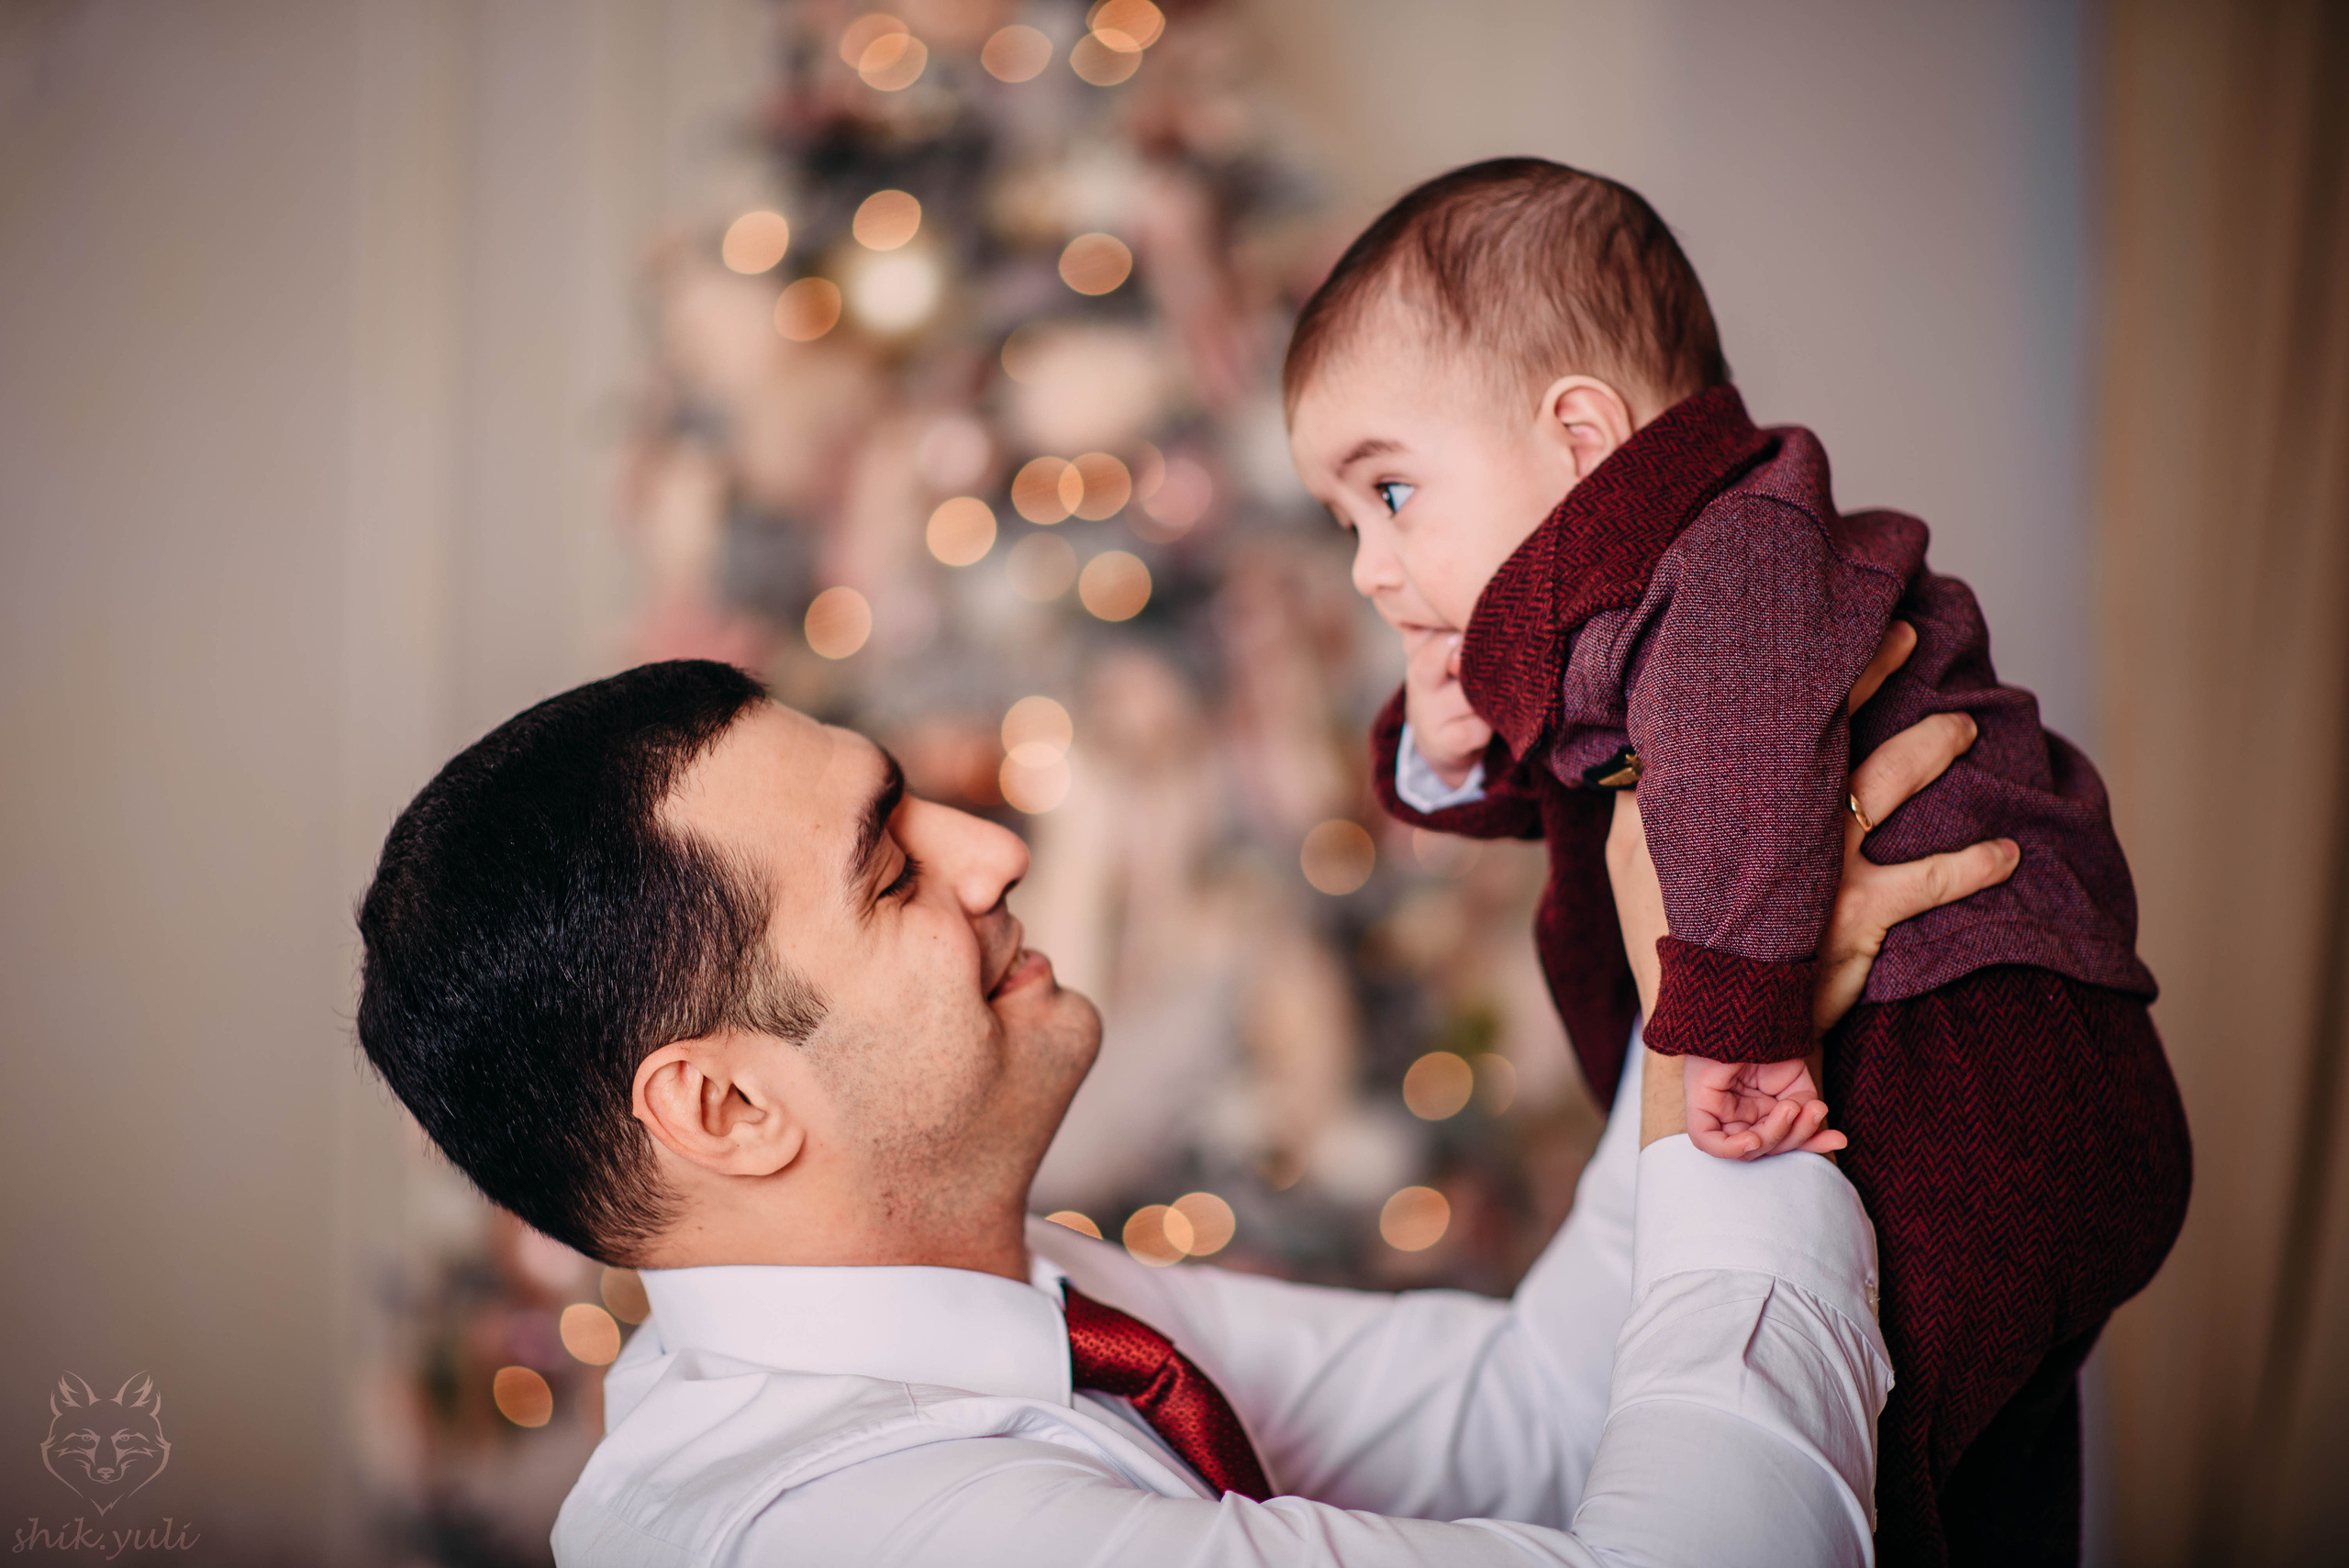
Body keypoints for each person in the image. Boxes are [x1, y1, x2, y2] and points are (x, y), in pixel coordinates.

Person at [354, 658, 2012, 1567]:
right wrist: (1737, 1021)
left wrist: (1698, 1001)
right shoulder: (858, 1534)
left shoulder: (1023, 1304)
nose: (992, 849)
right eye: (889, 865)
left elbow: (1532, 1405)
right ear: (722, 1103)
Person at [1282, 158, 2194, 1564]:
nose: (1366, 564)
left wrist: (1737, 1037)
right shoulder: (1621, 601)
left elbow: (1738, 767)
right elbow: (1590, 799)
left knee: (1877, 1458)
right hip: (1968, 1067)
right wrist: (1462, 737)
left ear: (1582, 436)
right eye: (1346, 521)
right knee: (1990, 1475)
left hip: (1979, 1052)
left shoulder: (1739, 554)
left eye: (1390, 492)